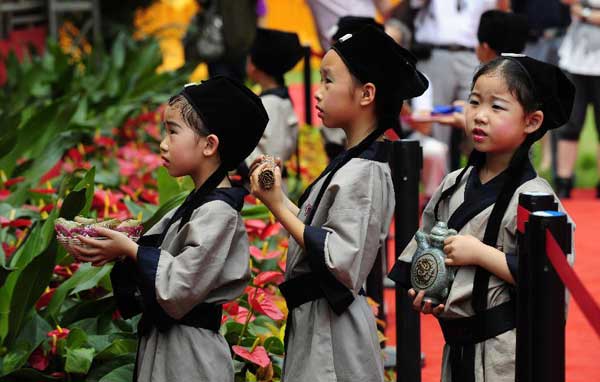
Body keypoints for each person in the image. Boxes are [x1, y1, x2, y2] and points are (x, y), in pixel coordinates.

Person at [249, 25, 428, 381]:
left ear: (366, 94)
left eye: (328, 81)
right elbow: (319, 233)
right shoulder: (354, 162)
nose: (317, 92)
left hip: (333, 333)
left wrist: (277, 206)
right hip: (321, 324)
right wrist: (276, 196)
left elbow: (340, 258)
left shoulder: (364, 171)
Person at [390, 55, 575, 382]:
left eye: (497, 107)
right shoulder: (452, 184)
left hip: (505, 352)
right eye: (474, 102)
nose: (480, 116)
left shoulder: (536, 198)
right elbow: (424, 251)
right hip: (456, 346)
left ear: (531, 122)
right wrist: (425, 290)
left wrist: (480, 253)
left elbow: (548, 280)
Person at [72, 76, 269, 381]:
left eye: (172, 131)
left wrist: (129, 249)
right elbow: (153, 250)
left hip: (191, 358)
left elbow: (181, 284)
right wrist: (114, 244)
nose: (163, 143)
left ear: (209, 144)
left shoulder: (219, 212)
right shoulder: (197, 203)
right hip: (172, 349)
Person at [410, 0, 507, 170]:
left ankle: (480, 176)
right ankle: (441, 187)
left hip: (472, 53)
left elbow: (497, 14)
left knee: (479, 116)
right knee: (436, 121)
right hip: (436, 52)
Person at [244, 28, 304, 182]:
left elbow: (272, 154)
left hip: (264, 192)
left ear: (255, 65)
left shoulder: (271, 104)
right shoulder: (274, 99)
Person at [555, 0, 600, 198]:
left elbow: (579, 8)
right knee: (570, 123)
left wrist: (584, 12)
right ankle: (564, 181)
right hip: (574, 61)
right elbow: (568, 3)